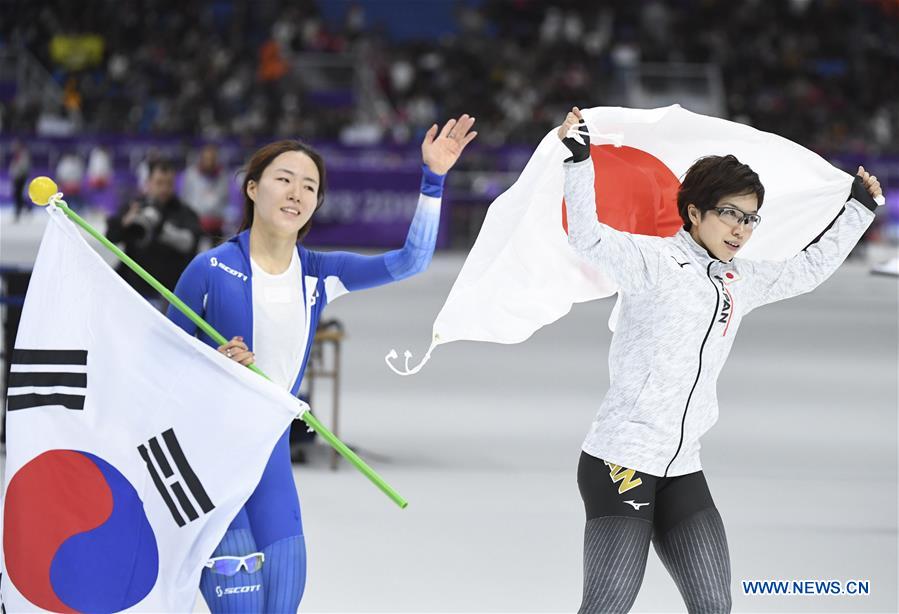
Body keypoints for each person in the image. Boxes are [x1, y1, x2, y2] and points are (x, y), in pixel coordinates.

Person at [558, 106, 882, 613]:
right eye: (730, 213)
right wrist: (578, 162)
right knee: (606, 608)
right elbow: (587, 236)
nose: (741, 229)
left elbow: (807, 270)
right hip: (622, 460)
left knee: (715, 607)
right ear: (695, 213)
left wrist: (858, 210)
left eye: (750, 218)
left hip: (682, 466)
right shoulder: (654, 263)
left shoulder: (740, 280)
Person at [168, 114, 477, 612]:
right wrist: (213, 364)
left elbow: (409, 262)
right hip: (211, 462)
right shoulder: (209, 269)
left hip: (269, 461)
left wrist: (433, 179)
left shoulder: (318, 273)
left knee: (281, 604)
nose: (296, 193)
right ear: (252, 188)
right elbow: (161, 367)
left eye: (309, 186)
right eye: (283, 179)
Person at [106, 159, 202, 305]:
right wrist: (125, 222)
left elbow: (190, 244)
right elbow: (110, 237)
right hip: (133, 290)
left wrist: (161, 228)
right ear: (149, 182)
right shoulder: (134, 206)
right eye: (159, 183)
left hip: (167, 293)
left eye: (168, 184)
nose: (164, 189)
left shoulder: (185, 213)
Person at [180, 143, 231, 237]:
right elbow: (186, 199)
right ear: (201, 159)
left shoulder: (223, 176)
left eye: (212, 159)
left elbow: (224, 201)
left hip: (216, 225)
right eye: (207, 159)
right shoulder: (190, 175)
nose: (209, 162)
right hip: (196, 225)